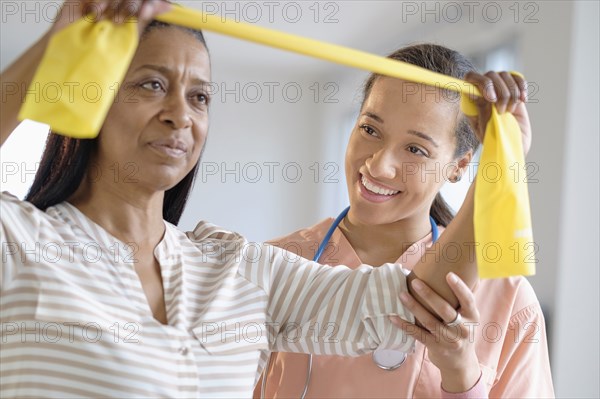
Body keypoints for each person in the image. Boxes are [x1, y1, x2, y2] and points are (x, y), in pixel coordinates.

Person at [0, 1, 533, 397]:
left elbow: (421, 303)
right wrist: (61, 41)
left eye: (200, 96)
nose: (179, 115)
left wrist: (503, 163)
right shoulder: (21, 243)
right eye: (151, 85)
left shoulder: (239, 269)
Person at [256, 44, 554, 398]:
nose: (378, 166)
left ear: (460, 166)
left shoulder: (510, 303)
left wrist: (462, 373)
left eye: (416, 149)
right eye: (370, 130)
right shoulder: (273, 264)